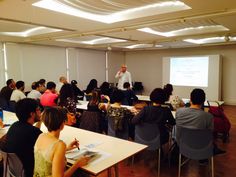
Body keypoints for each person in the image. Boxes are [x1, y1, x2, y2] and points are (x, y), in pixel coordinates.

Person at [34, 107, 89, 177]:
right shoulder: (59, 144)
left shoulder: (41, 136)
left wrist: (67, 149)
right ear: (62, 124)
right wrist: (77, 164)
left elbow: (48, 155)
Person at [175, 88, 225, 156]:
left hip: (182, 145)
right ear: (203, 101)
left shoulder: (178, 112)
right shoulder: (208, 116)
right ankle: (203, 159)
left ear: (190, 99)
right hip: (202, 147)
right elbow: (210, 133)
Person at [4, 98, 42, 177]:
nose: (40, 112)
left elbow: (33, 132)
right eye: (38, 109)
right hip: (29, 171)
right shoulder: (33, 132)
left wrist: (40, 121)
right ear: (32, 114)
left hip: (14, 170)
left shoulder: (14, 125)